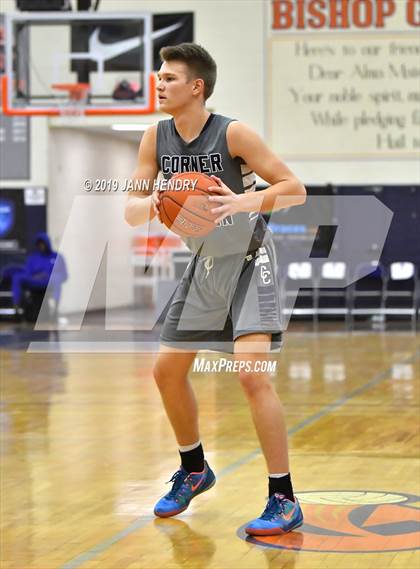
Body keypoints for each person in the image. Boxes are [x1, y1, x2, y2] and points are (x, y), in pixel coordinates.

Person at [125, 43, 306, 536]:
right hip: (205, 264)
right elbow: (130, 209)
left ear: (196, 86)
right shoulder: (154, 138)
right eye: (158, 77)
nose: (159, 84)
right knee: (165, 371)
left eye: (168, 77)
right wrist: (157, 198)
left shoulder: (233, 132)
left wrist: (243, 201)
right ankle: (194, 468)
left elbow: (294, 188)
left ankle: (283, 498)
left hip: (252, 259)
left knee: (251, 376)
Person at [9, 232, 68, 319]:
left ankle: (55, 310)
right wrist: (35, 276)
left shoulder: (57, 257)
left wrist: (50, 276)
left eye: (43, 243)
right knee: (17, 276)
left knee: (56, 278)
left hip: (49, 281)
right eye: (39, 244)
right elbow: (27, 272)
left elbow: (64, 275)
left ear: (47, 243)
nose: (41, 246)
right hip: (34, 280)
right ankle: (16, 308)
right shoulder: (32, 258)